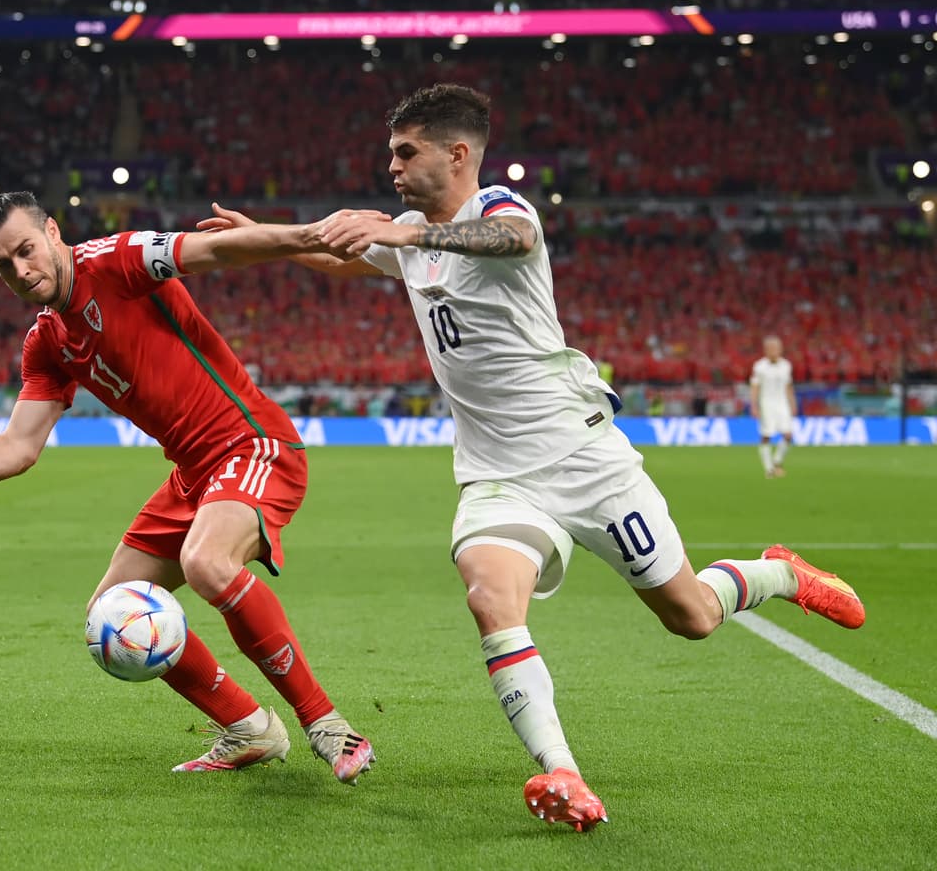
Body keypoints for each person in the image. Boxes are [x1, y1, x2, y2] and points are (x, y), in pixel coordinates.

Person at [200, 84, 865, 831]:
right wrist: (271, 236)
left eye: (404, 151)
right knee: (489, 594)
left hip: (586, 461)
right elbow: (343, 258)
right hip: (499, 477)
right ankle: (563, 776)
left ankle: (781, 572)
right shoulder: (411, 231)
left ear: (457, 154)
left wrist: (404, 236)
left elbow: (510, 243)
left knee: (692, 616)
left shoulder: (501, 214)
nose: (390, 165)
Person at [0, 183, 375, 784]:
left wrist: (309, 237)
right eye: (1, 265)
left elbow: (215, 253)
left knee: (206, 562)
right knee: (111, 611)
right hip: (193, 474)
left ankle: (326, 723)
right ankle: (249, 728)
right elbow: (20, 446)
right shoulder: (47, 340)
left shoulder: (117, 259)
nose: (19, 271)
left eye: (25, 250)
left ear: (52, 233)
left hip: (252, 444)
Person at [750, 336, 796, 477]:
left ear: (780, 349)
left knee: (788, 435)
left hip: (782, 404)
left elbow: (788, 386)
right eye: (771, 348)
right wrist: (754, 405)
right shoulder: (759, 366)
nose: (774, 351)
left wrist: (792, 403)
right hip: (767, 404)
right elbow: (755, 387)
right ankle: (769, 469)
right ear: (766, 350)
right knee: (766, 436)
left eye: (776, 348)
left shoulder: (786, 365)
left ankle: (777, 461)